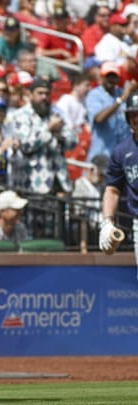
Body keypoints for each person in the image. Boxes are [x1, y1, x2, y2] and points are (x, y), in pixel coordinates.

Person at [99, 92, 138, 264]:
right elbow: (112, 190)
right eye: (133, 114)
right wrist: (107, 222)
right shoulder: (122, 151)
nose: (136, 118)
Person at [86, 62, 138, 162]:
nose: (111, 79)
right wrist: (121, 99)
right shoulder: (94, 95)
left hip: (122, 159)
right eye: (108, 76)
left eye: (114, 76)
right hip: (101, 156)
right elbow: (99, 118)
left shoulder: (121, 92)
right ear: (101, 77)